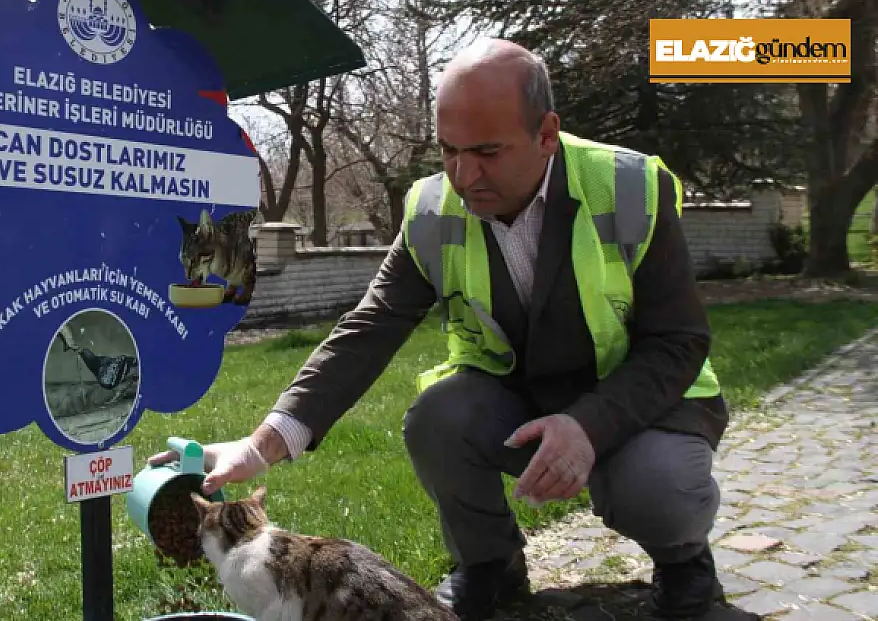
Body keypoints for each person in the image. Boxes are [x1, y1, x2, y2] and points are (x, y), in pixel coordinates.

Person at [148, 37, 730, 621]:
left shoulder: (629, 189)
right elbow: (370, 328)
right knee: (437, 417)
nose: (463, 174)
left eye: (487, 152)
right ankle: (490, 567)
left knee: (660, 485)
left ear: (547, 133)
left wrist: (587, 425)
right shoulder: (432, 212)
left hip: (638, 400)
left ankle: (684, 566)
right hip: (520, 398)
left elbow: (679, 340)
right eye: (449, 150)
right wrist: (262, 444)